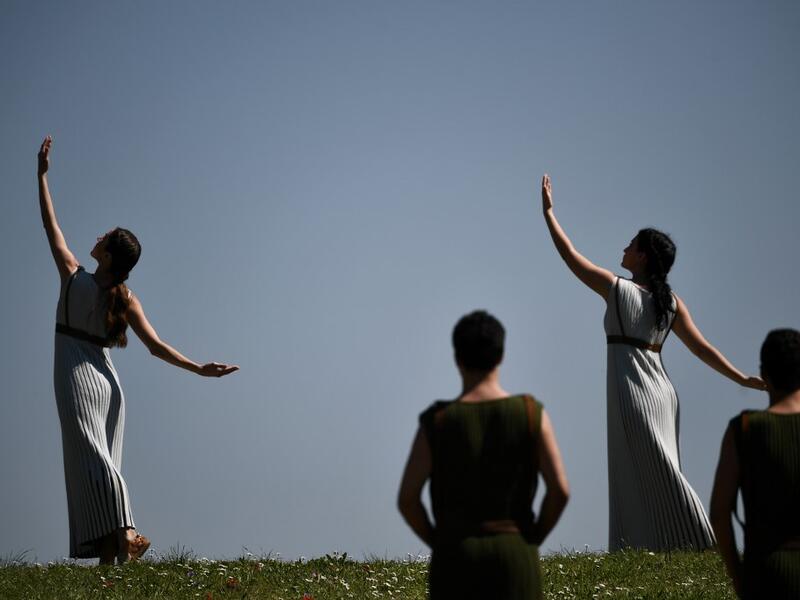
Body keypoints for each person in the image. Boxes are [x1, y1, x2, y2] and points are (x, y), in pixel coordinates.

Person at [37, 136, 239, 565]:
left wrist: (41, 178)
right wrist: (199, 369)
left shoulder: (75, 277)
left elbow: (49, 225)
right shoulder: (123, 296)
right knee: (95, 462)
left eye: (103, 237)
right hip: (108, 383)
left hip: (76, 376)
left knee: (93, 463)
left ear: (107, 256)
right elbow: (157, 347)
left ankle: (127, 530)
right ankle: (112, 563)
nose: (95, 237)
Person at [540, 174, 763, 552]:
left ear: (642, 256)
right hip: (661, 391)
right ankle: (654, 547)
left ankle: (704, 541)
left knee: (652, 469)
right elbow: (702, 348)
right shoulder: (671, 302)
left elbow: (569, 255)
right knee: (655, 468)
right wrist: (739, 378)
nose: (624, 248)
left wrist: (548, 213)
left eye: (631, 245)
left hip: (633, 391)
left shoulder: (617, 288)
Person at [398, 310, 569, 599]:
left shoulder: (437, 421)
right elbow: (559, 491)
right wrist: (532, 537)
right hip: (516, 555)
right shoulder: (530, 413)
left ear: (457, 359)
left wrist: (439, 541)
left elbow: (408, 500)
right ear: (501, 356)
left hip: (455, 558)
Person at [711, 329, 800, 599]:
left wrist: (738, 576)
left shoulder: (744, 429)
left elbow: (719, 512)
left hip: (766, 573)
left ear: (765, 374)